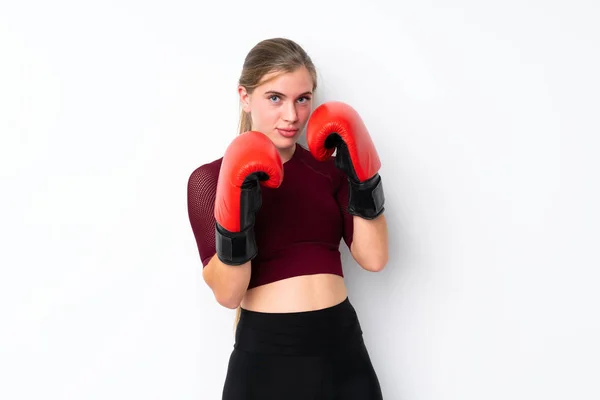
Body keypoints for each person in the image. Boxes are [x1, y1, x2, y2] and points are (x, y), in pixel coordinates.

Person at [187, 37, 389, 399]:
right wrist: (238, 211)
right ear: (245, 96)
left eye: (303, 99)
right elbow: (229, 294)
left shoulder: (329, 171)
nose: (292, 116)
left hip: (343, 351)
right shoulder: (210, 180)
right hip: (267, 358)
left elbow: (373, 258)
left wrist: (364, 179)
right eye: (275, 98)